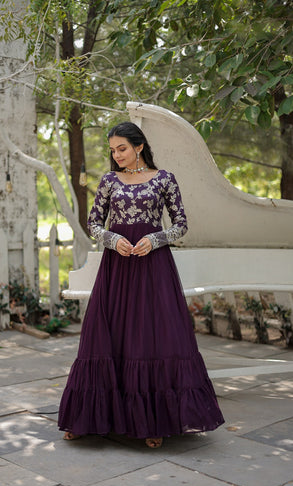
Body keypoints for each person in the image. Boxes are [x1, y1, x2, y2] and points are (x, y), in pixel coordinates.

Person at [58, 121, 224, 448]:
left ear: (138, 146)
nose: (116, 155)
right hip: (117, 267)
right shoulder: (108, 181)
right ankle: (87, 418)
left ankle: (154, 421)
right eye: (112, 150)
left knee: (151, 337)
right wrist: (111, 237)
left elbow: (181, 225)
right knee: (107, 338)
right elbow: (93, 223)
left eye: (121, 148)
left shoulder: (164, 179)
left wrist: (156, 238)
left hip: (152, 266)